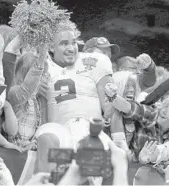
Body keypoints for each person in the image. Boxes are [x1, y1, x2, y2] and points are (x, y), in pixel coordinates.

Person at [35, 20, 114, 172]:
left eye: (74, 42)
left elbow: (108, 108)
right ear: (51, 47)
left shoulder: (95, 61)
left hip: (89, 130)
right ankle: (45, 181)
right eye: (64, 44)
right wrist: (34, 89)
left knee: (84, 159)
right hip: (60, 131)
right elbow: (43, 116)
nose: (71, 48)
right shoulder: (43, 67)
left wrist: (112, 99)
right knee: (46, 136)